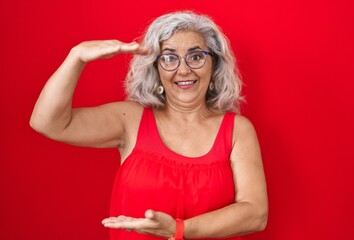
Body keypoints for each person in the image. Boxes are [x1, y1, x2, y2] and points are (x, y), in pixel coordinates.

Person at [30, 11, 268, 240]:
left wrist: (178, 229)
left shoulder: (237, 129)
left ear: (214, 65)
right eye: (169, 58)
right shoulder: (130, 119)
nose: (183, 69)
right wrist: (76, 57)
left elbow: (255, 214)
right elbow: (48, 123)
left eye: (196, 57)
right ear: (155, 68)